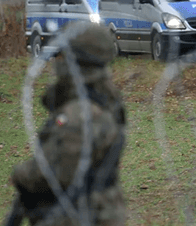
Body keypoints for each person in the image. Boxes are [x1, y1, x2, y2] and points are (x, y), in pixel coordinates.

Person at [7, 22, 127, 226]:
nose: (56, 63)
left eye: (62, 56)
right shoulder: (101, 100)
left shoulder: (82, 113)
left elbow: (61, 173)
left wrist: (22, 174)